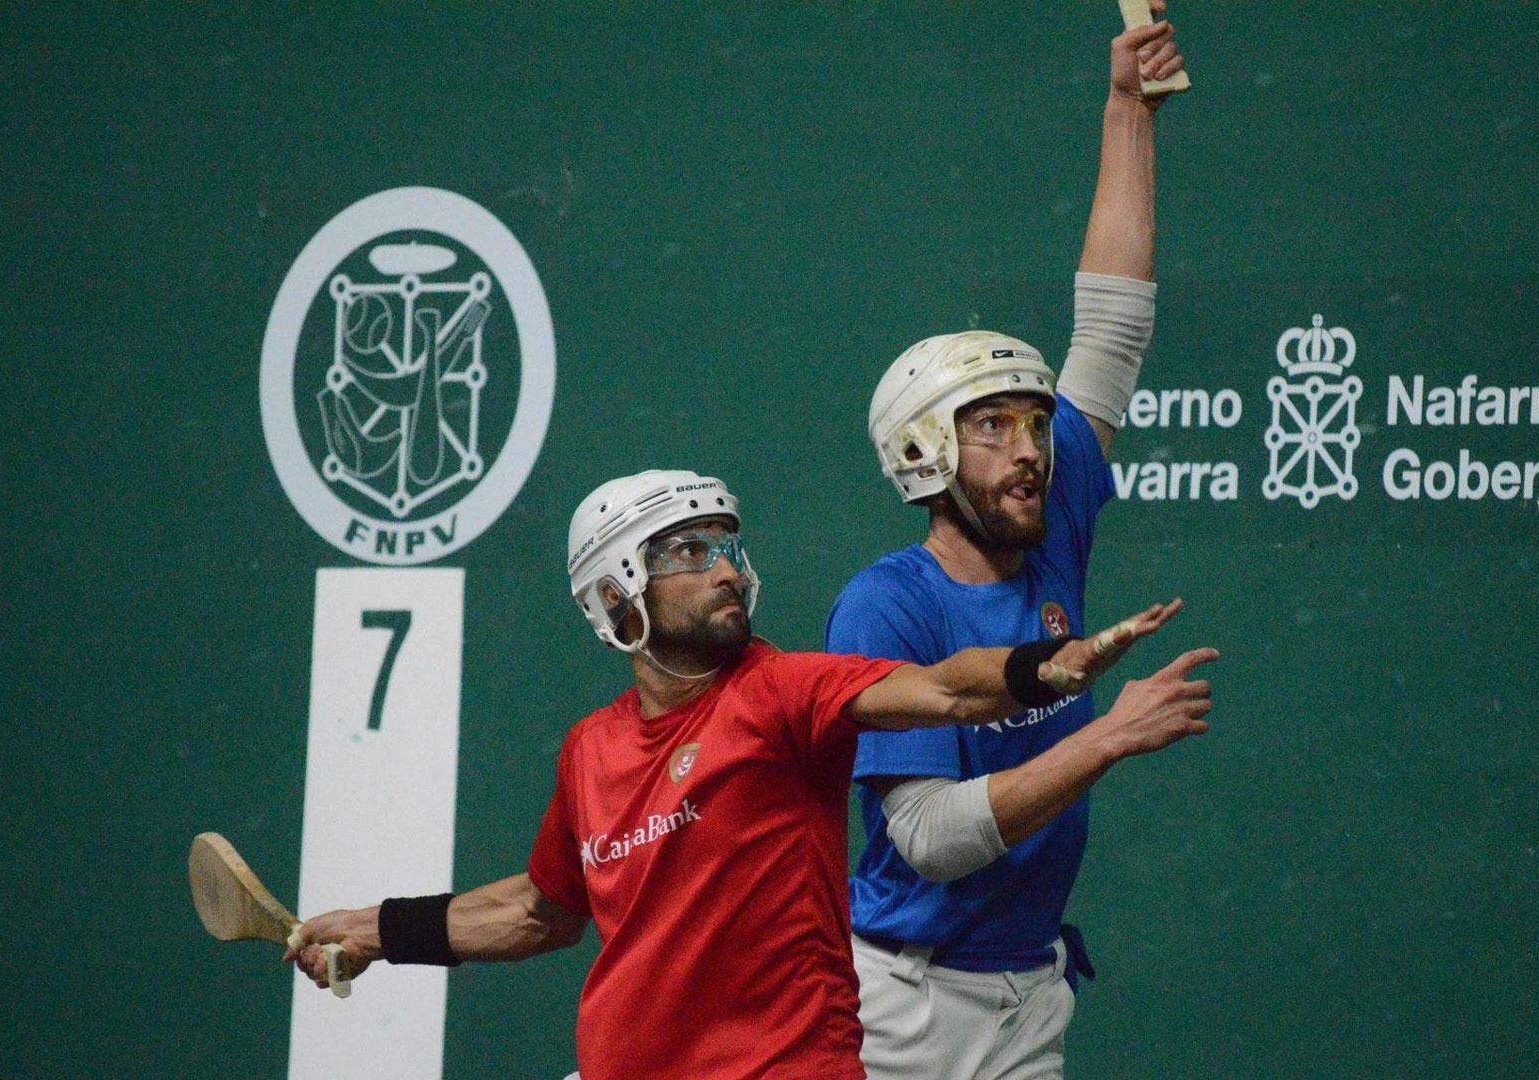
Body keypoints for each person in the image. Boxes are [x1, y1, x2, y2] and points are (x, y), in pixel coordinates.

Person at [286, 469, 1214, 1080]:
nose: (726, 568)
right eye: (689, 553)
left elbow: (941, 691)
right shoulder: (589, 752)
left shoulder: (783, 694)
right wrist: (374, 931)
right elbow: (541, 912)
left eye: (728, 546)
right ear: (615, 594)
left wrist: (1037, 670)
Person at [827, 14, 1211, 1079]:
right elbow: (931, 840)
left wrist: (1128, 110)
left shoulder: (1052, 527)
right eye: (989, 428)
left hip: (1028, 997)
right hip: (898, 1005)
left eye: (1033, 422)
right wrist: (1107, 738)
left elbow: (1113, 329)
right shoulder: (883, 609)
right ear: (922, 458)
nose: (1028, 447)